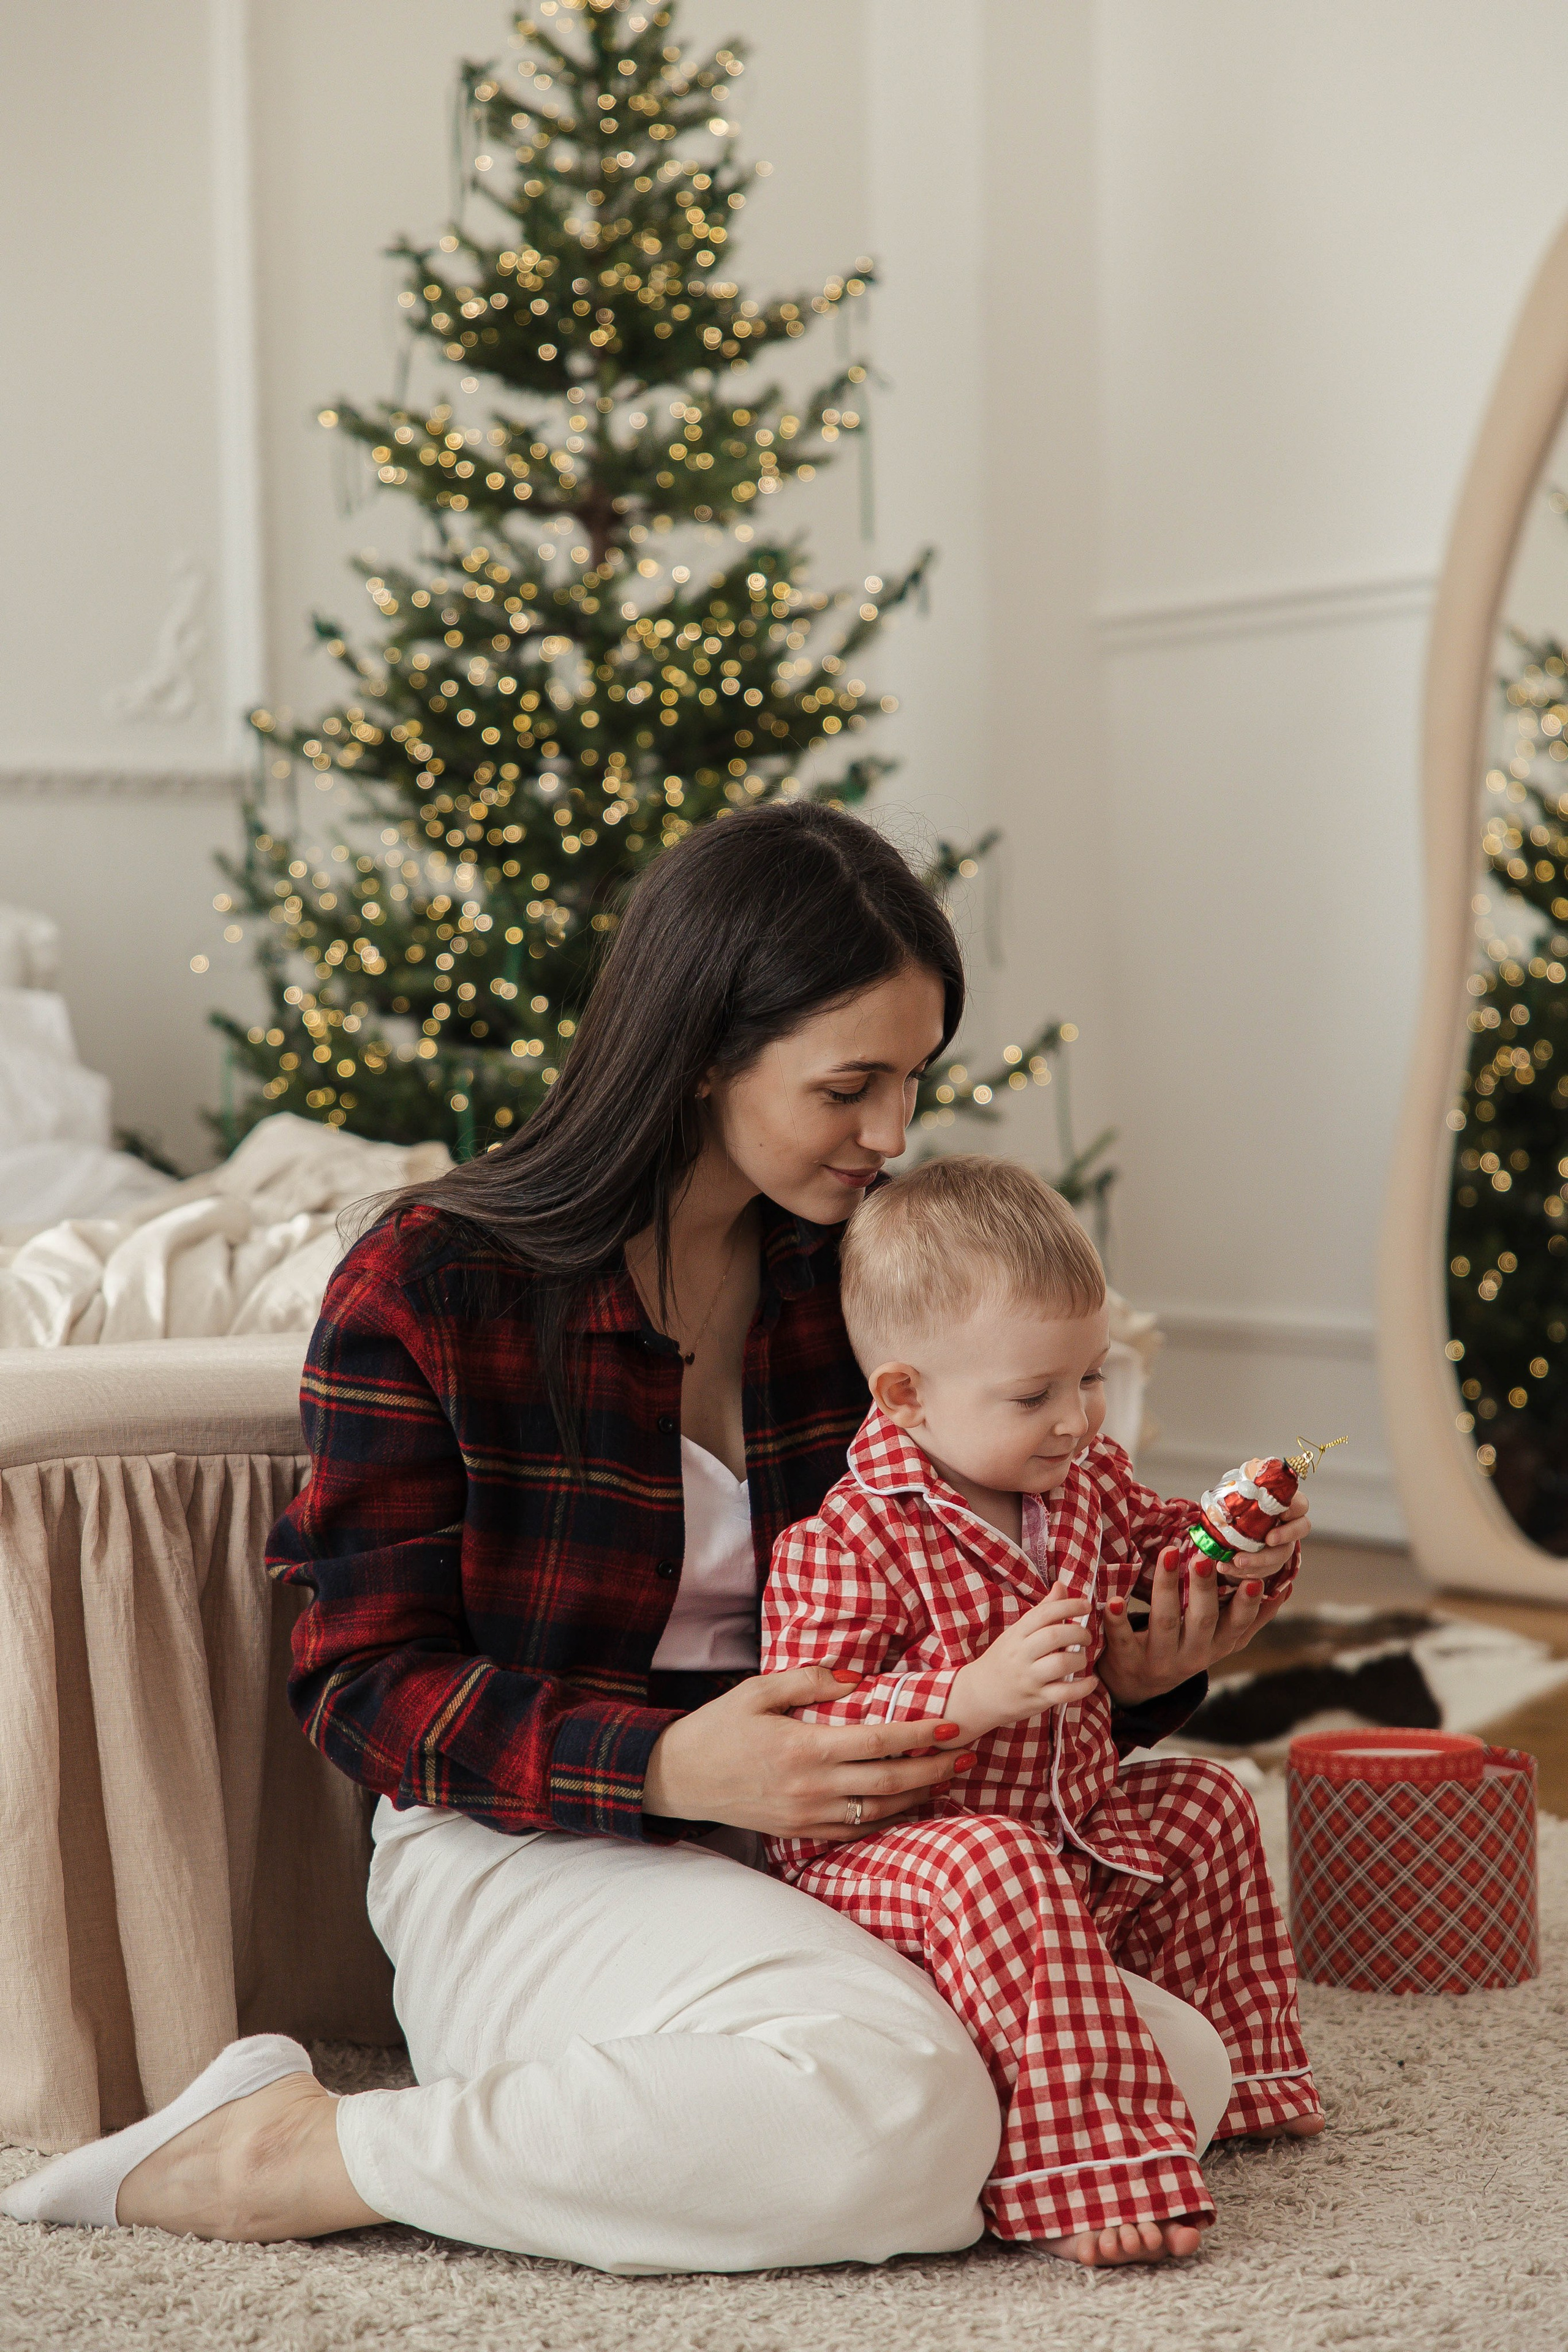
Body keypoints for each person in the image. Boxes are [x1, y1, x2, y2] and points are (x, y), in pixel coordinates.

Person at [2, 805, 1294, 2273]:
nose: (888, 1136)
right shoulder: (436, 1284)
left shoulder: (859, 1287)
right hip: (529, 1843)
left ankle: (700, 2128)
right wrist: (675, 1764)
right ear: (698, 1054)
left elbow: (967, 1607)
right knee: (911, 2106)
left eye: (912, 1082)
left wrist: (1132, 1669)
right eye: (846, 1086)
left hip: (844, 1845)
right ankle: (295, 2153)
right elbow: (359, 1682)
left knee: (1165, 2067)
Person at [760, 1153, 1324, 2268]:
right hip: (893, 1858)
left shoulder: (1085, 1481)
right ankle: (1082, 2162)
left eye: (1092, 1377)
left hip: (1062, 1823)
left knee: (1208, 1799)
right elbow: (809, 1733)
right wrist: (967, 1697)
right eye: (1035, 1396)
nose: (1077, 1419)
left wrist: (1238, 1558)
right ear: (906, 1396)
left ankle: (1248, 2073)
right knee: (996, 1864)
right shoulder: (848, 1539)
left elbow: (1164, 1549)